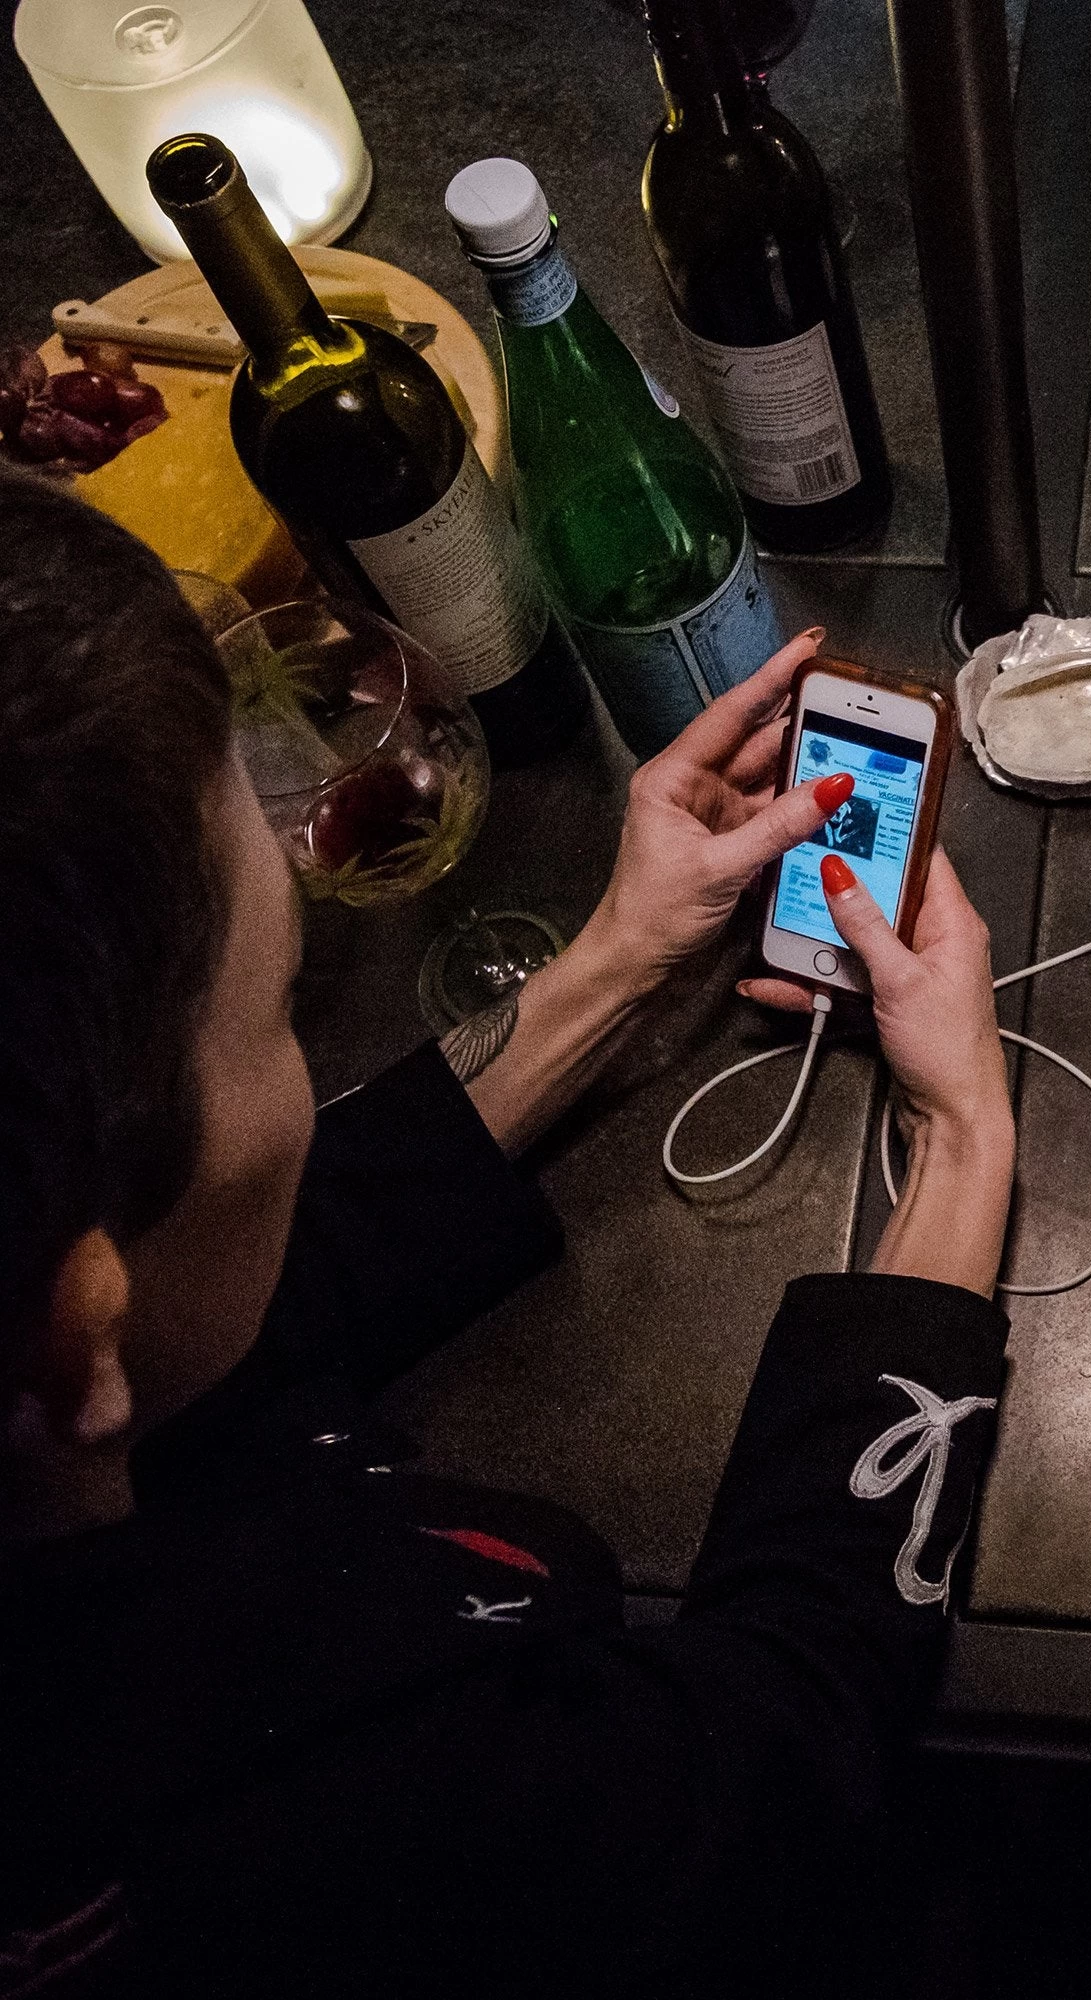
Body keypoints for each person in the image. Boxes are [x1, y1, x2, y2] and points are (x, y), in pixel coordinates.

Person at [0, 471, 1016, 1997]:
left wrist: (617, 962)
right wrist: (964, 1136)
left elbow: (250, 1263)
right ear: (74, 1333)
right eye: (277, 1019)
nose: (312, 1086)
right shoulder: (324, 1813)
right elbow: (771, 1755)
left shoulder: (41, 1352)